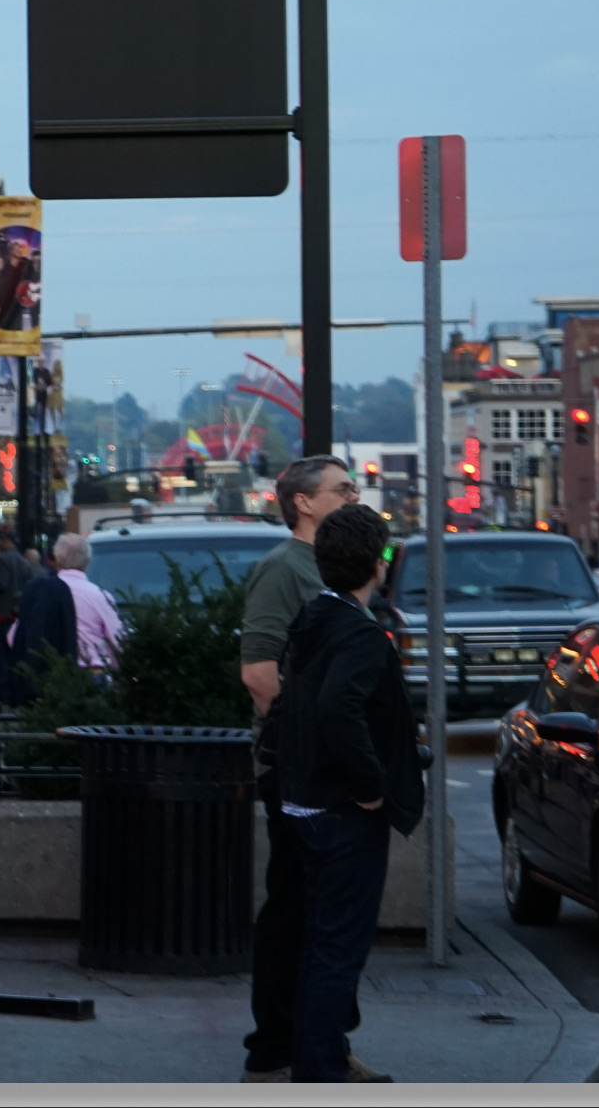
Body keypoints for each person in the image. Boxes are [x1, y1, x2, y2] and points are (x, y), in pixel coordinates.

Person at [238, 455, 386, 1086]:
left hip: (322, 771)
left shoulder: (333, 570)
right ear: (302, 502)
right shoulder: (283, 569)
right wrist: (317, 753)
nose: (354, 496)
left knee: (317, 913)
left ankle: (316, 1041)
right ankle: (279, 1048)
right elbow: (260, 674)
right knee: (298, 909)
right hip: (302, 774)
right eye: (342, 488)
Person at [266, 503, 424, 1084]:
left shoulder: (313, 618)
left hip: (303, 802)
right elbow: (339, 707)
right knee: (338, 951)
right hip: (341, 812)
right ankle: (321, 1070)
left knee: (317, 944)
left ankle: (318, 1060)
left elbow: (297, 703)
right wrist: (372, 786)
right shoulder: (360, 634)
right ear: (376, 564)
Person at [5, 547, 79, 706]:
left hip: (31, 681)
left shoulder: (37, 589)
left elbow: (12, 637)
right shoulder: (68, 591)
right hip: (67, 679)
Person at [50, 534, 124, 678]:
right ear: (87, 561)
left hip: (51, 674)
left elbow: (13, 637)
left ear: (57, 558)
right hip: (91, 672)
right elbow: (117, 642)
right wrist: (118, 674)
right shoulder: (100, 596)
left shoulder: (42, 593)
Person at [0, 532, 35, 697]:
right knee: (15, 657)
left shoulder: (2, 559)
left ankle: (2, 694)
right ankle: (15, 693)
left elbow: (1, 584)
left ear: (6, 542)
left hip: (1, 613)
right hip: (16, 616)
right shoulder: (25, 562)